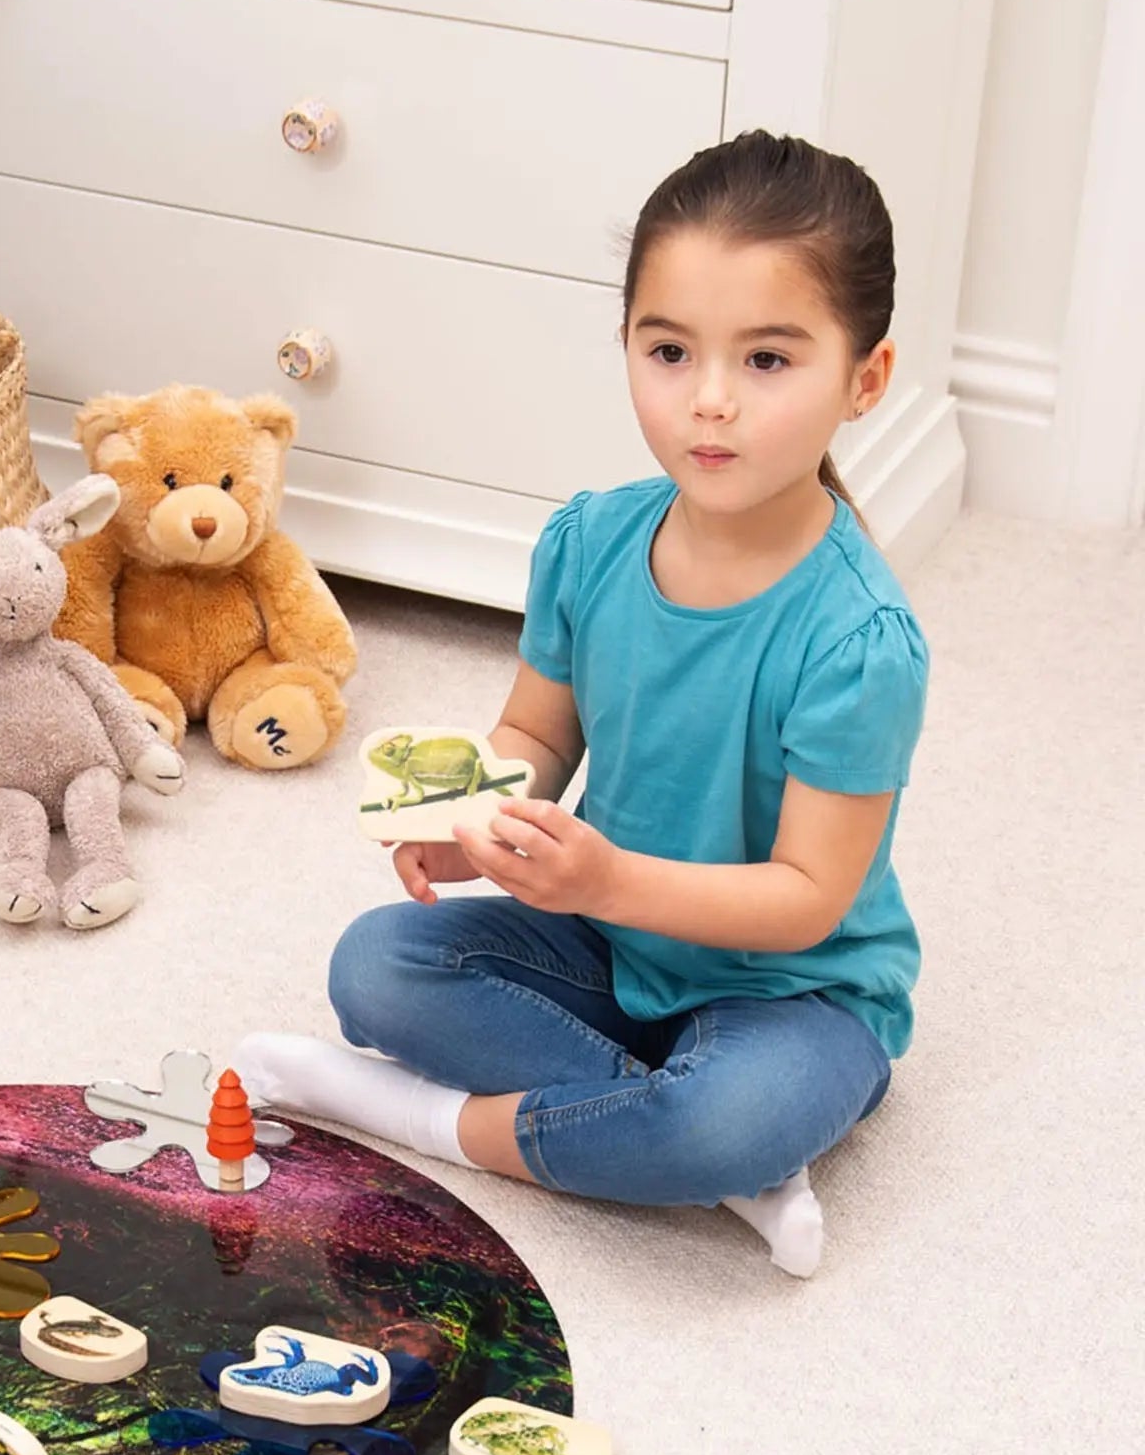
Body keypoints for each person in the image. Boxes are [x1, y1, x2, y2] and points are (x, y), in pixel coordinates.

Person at [237, 131, 929, 1279]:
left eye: (767, 361)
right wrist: (481, 822)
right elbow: (538, 734)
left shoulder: (859, 643)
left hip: (796, 992)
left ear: (865, 381)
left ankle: (417, 1119)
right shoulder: (591, 541)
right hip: (605, 939)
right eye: (669, 351)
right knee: (376, 965)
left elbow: (809, 901)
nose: (709, 403)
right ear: (626, 346)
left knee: (726, 1115)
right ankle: (692, 1156)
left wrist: (604, 878)